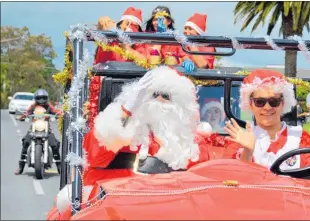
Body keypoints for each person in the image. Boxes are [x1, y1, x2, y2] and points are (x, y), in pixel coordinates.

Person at [53, 66, 211, 218]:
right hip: (115, 207)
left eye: (166, 96)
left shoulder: (192, 145)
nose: (159, 100)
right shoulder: (125, 131)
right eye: (154, 94)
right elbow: (95, 152)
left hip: (173, 210)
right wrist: (126, 111)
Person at [223, 69, 310, 170]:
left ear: (283, 103)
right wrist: (247, 151)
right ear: (250, 104)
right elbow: (231, 180)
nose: (267, 107)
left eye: (274, 101)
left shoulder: (302, 139)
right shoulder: (239, 140)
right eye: (260, 102)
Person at [14, 89, 62, 175]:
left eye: (43, 98)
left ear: (46, 98)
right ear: (36, 98)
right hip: (34, 128)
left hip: (46, 128)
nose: (41, 100)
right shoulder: (33, 106)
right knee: (25, 142)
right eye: (39, 98)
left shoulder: (49, 106)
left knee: (55, 144)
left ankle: (59, 167)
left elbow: (55, 111)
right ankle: (21, 167)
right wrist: (22, 116)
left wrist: (60, 114)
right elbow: (27, 113)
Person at [144, 6, 195, 72]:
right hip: (153, 73)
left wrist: (187, 60)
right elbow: (151, 59)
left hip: (172, 75)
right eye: (155, 20)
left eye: (161, 19)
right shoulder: (147, 38)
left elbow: (183, 55)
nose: (157, 22)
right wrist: (159, 36)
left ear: (169, 21)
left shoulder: (175, 38)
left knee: (171, 59)